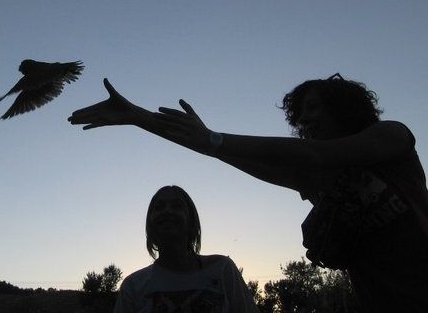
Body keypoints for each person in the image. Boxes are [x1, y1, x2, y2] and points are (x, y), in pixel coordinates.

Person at [69, 74, 428, 312]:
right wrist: (137, 116)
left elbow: (311, 152)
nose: (304, 122)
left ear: (344, 108)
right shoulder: (316, 179)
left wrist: (213, 138)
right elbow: (218, 149)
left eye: (314, 109)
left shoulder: (392, 137)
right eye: (301, 115)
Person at [114, 185, 259, 313]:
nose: (167, 211)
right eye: (159, 207)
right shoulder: (133, 287)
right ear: (150, 223)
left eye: (177, 206)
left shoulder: (222, 269)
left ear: (191, 221)